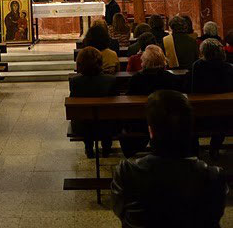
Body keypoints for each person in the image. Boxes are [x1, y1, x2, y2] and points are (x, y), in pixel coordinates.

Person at [112, 90, 228, 228]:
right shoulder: (213, 176)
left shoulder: (126, 172)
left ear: (151, 131)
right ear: (190, 130)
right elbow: (214, 216)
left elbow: (121, 211)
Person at [69, 47, 118, 157]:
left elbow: (73, 102)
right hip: (107, 125)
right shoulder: (110, 80)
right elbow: (116, 100)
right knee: (107, 117)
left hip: (83, 126)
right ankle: (106, 147)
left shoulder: (75, 81)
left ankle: (89, 147)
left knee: (86, 117)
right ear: (100, 62)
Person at [191, 38, 233, 159]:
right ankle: (214, 148)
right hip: (225, 113)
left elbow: (194, 90)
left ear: (203, 51)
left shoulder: (197, 66)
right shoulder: (228, 67)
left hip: (201, 112)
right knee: (221, 124)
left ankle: (195, 151)